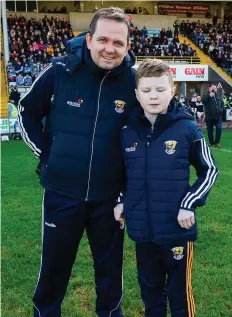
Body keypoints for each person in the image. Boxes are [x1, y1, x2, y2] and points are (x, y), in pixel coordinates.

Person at [18, 7, 137, 317]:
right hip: (61, 193)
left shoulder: (134, 83)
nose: (110, 48)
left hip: (110, 199)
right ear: (88, 40)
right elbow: (26, 112)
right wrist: (47, 155)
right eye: (103, 40)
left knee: (110, 274)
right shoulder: (58, 71)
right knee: (53, 270)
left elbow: (159, 118)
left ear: (127, 46)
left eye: (118, 43)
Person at [114, 59, 219, 317]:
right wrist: (120, 199)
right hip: (142, 229)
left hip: (176, 229)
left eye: (160, 89)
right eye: (147, 90)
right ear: (137, 94)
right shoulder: (127, 131)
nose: (153, 96)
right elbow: (119, 173)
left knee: (179, 295)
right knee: (150, 295)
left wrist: (188, 204)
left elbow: (209, 170)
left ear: (172, 91)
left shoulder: (187, 129)